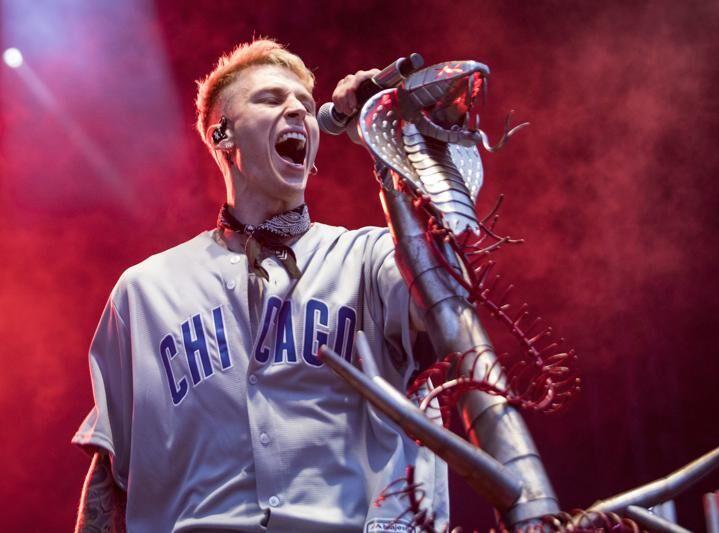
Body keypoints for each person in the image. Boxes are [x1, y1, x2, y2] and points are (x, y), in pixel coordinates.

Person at [72, 38, 448, 532]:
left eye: (308, 107)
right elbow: (111, 475)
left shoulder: (370, 258)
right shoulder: (144, 291)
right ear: (222, 134)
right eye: (271, 99)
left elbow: (448, 282)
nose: (297, 111)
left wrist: (402, 145)